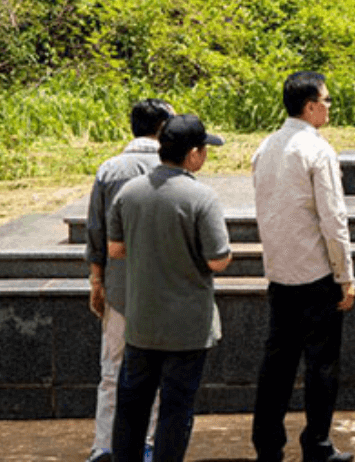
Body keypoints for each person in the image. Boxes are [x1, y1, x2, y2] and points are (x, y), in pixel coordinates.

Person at [107, 114, 232, 462]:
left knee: (131, 407)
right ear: (192, 154)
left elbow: (115, 249)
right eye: (204, 149)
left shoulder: (129, 192)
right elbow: (218, 260)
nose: (205, 156)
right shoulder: (201, 198)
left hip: (141, 321)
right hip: (187, 326)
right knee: (175, 410)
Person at [251, 71, 355, 462]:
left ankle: (267, 443)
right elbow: (333, 218)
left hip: (280, 273)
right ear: (310, 106)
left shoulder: (265, 147)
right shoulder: (317, 151)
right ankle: (317, 443)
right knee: (321, 365)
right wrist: (344, 275)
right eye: (326, 101)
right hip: (316, 275)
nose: (329, 107)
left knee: (276, 364)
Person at [86, 98, 175, 462]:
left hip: (119, 285)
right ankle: (148, 444)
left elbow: (96, 230)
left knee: (112, 370)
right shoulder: (172, 168)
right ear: (164, 128)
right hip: (164, 287)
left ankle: (104, 445)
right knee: (156, 371)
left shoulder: (109, 169)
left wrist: (96, 280)